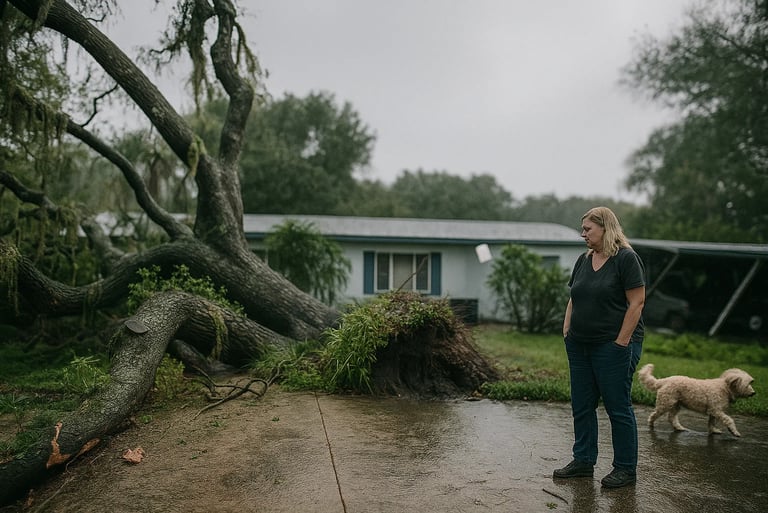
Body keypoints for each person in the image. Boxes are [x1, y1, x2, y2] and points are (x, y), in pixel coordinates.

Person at [553, 206, 645, 489]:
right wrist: (567, 329)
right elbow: (574, 297)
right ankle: (583, 461)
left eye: (588, 230)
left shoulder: (626, 259)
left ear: (605, 228)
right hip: (579, 344)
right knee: (582, 404)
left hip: (612, 345)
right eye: (583, 230)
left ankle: (625, 469)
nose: (583, 235)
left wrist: (621, 342)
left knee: (617, 407)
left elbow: (637, 303)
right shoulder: (584, 259)